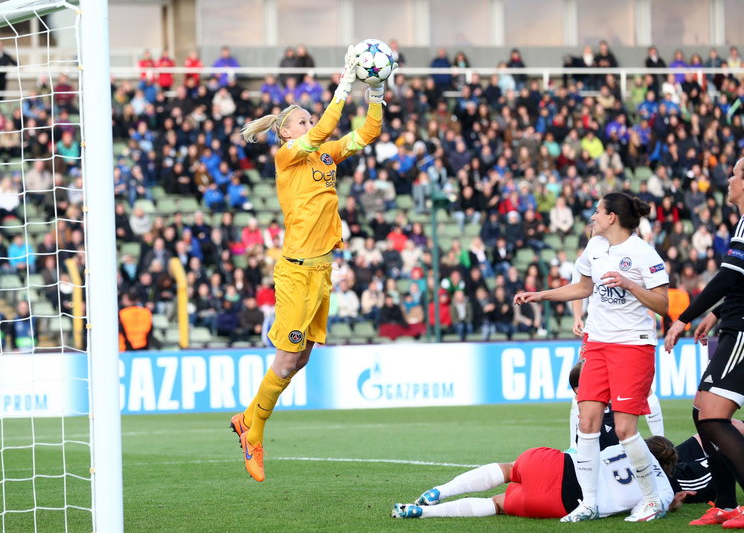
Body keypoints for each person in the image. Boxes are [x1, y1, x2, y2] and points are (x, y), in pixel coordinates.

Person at [231, 45, 384, 482]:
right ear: (285, 133)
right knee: (286, 358)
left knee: (300, 361)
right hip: (297, 270)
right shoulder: (287, 156)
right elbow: (326, 129)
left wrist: (376, 92)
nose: (311, 123)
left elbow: (366, 134)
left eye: (310, 118)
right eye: (302, 120)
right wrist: (345, 86)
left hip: (322, 270)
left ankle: (246, 418)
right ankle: (253, 430)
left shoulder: (324, 154)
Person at [514, 192, 670, 522]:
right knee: (587, 424)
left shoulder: (643, 254)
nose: (593, 217)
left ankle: (652, 498)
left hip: (632, 346)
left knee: (626, 428)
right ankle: (589, 503)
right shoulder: (595, 247)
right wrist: (540, 295)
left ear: (612, 217)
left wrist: (629, 284)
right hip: (597, 344)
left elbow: (662, 305)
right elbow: (582, 287)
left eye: (598, 211)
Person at [664, 156, 744, 528]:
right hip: (731, 325)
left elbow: (727, 277)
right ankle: (725, 502)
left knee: (713, 416)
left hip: (742, 332)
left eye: (735, 174)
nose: (728, 180)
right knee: (702, 413)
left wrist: (684, 317)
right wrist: (714, 314)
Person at [391, 436, 685, 521]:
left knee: (508, 470)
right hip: (565, 501)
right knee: (498, 504)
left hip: (561, 464)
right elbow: (641, 513)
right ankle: (425, 513)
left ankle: (438, 491)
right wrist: (669, 504)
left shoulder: (627, 445)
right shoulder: (662, 487)